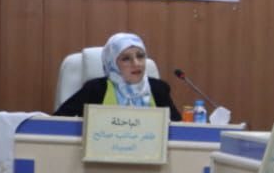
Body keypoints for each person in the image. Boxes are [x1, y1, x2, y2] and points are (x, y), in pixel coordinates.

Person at [54, 32, 183, 121]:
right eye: (126, 59)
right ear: (112, 64)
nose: (136, 63)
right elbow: (58, 121)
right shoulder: (95, 89)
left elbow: (177, 128)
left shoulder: (158, 89)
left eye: (140, 56)